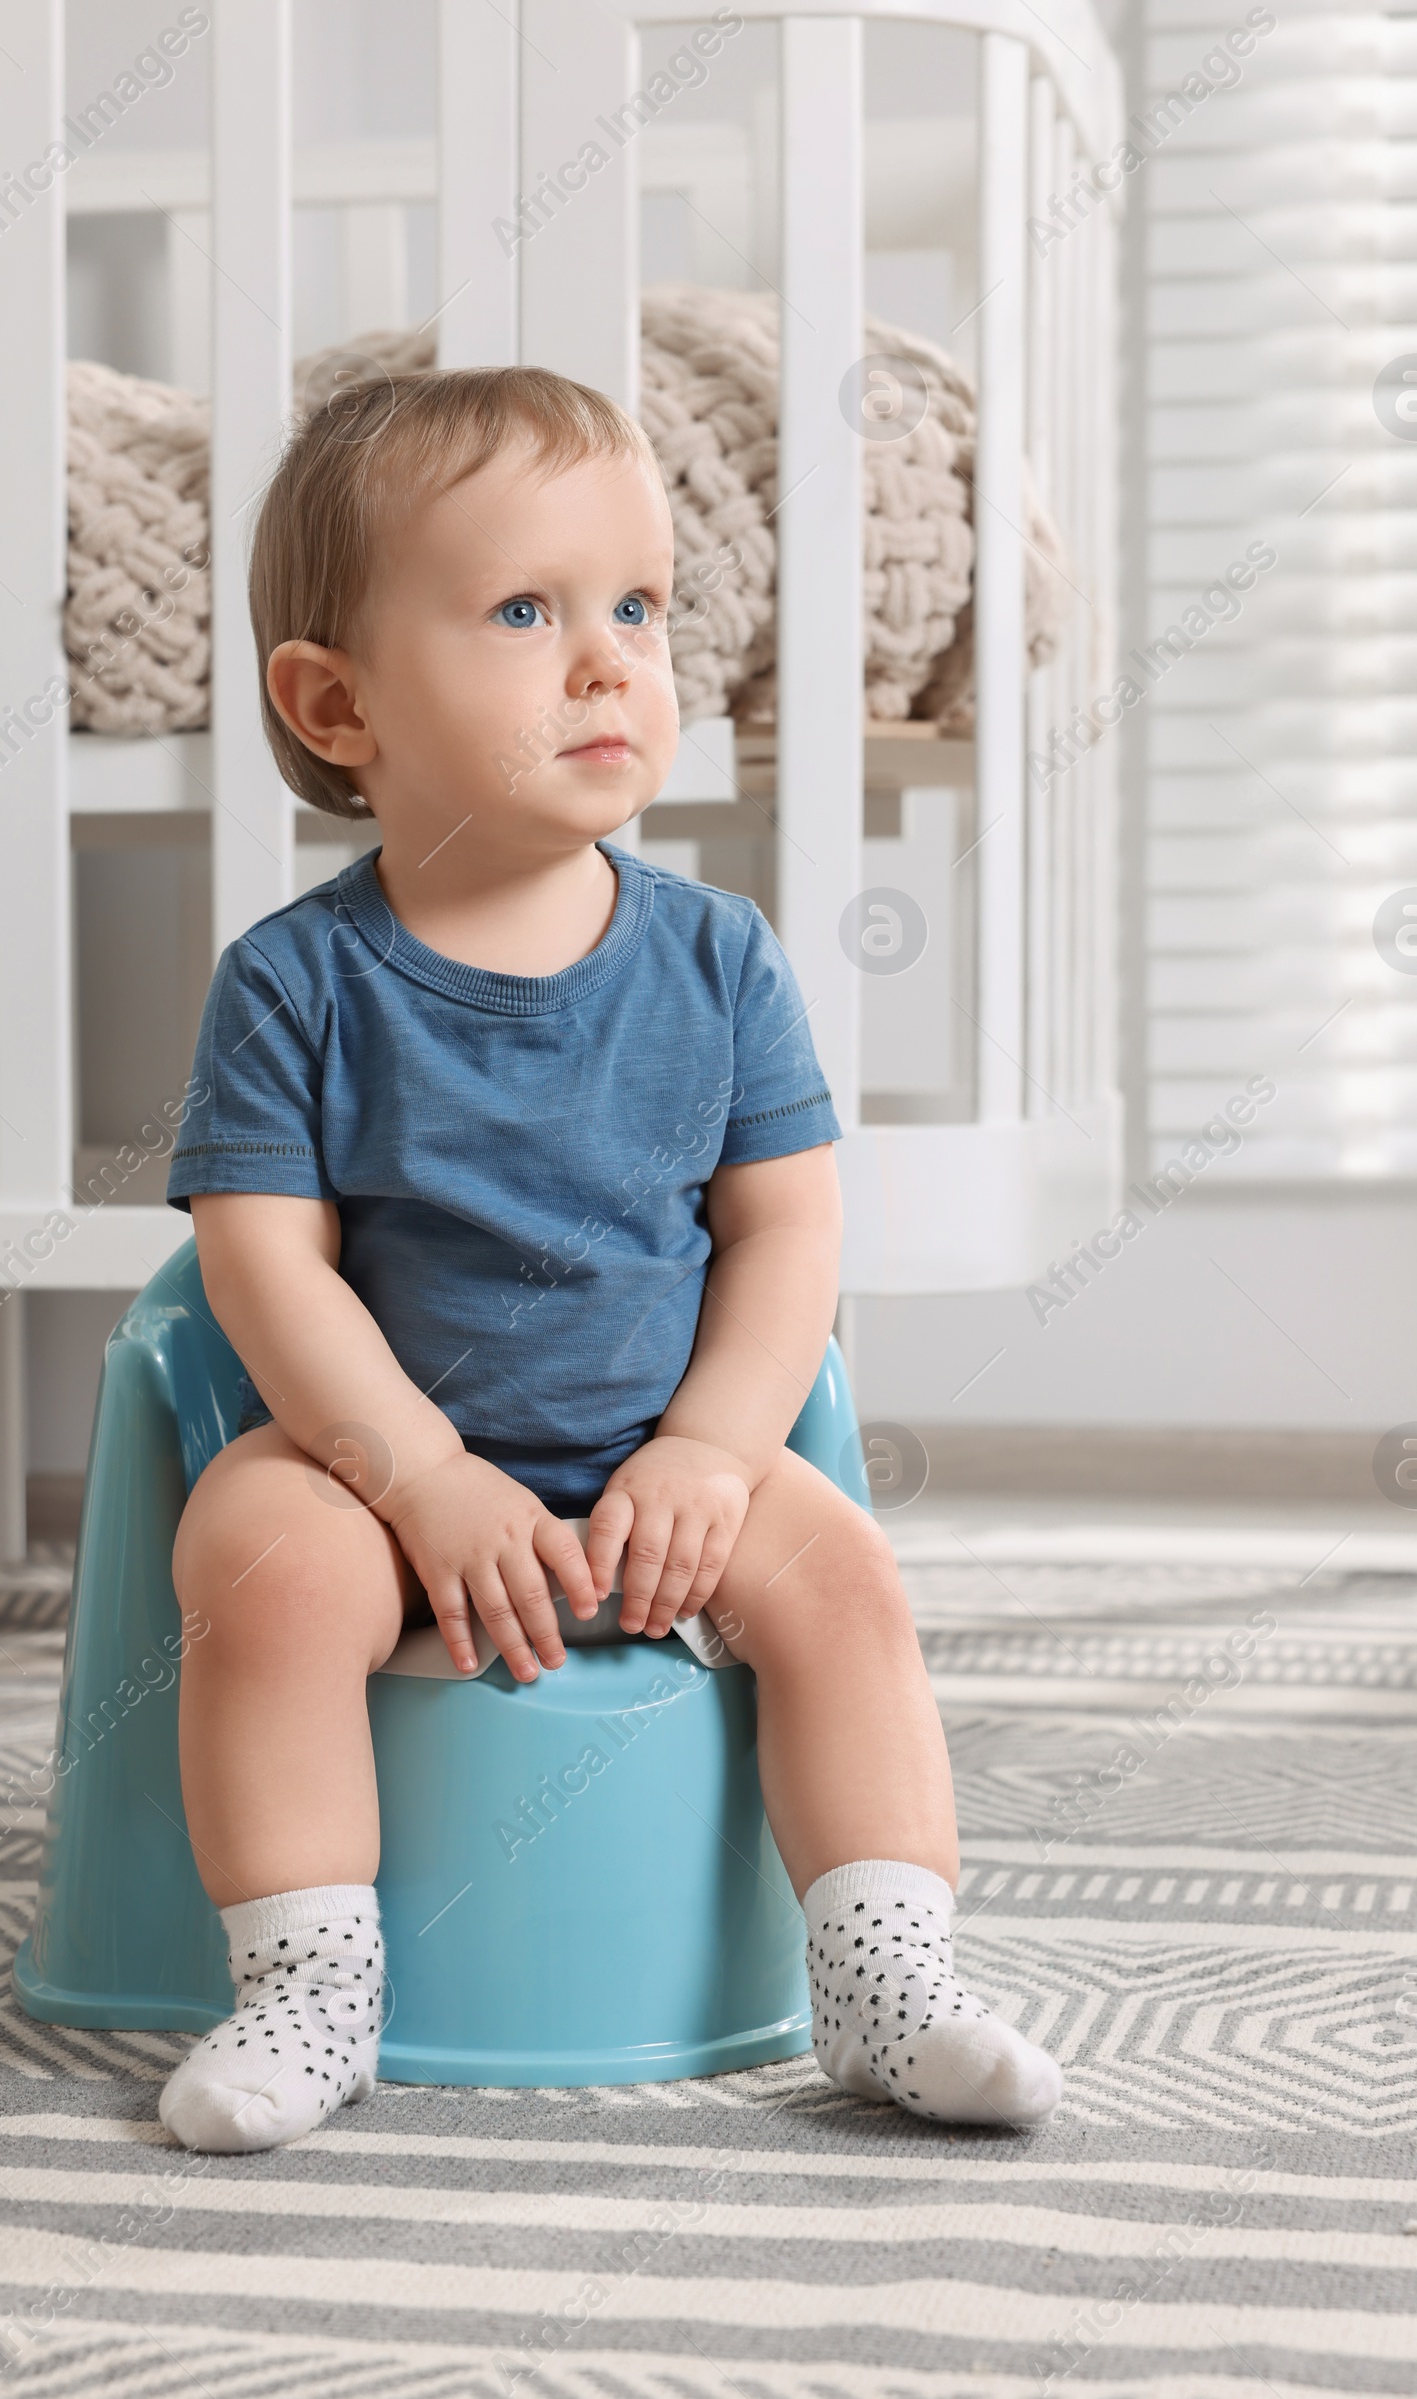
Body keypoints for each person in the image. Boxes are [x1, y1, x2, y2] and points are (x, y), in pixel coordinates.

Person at [157, 364, 1061, 2152]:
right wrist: (413, 1475)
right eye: (525, 609)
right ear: (337, 704)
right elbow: (263, 1270)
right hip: (378, 1471)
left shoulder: (716, 957)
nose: (609, 660)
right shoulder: (296, 982)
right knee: (256, 1566)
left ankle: (884, 1979)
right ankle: (311, 1987)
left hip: (666, 1455)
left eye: (637, 607)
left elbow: (786, 1228)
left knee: (847, 1575)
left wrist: (717, 1453)